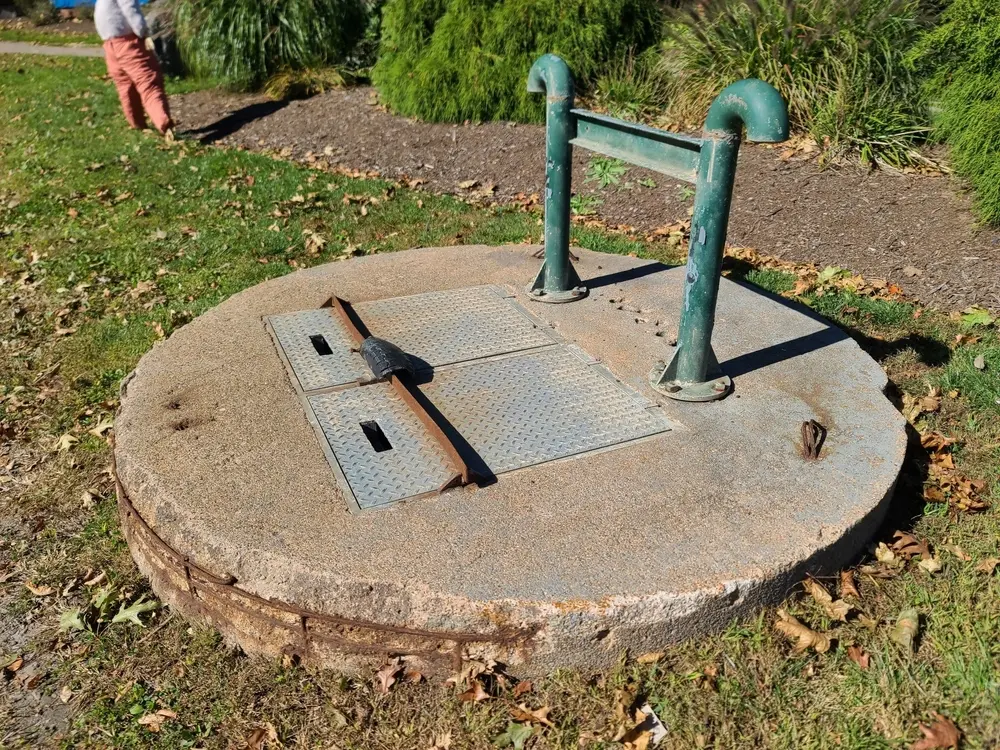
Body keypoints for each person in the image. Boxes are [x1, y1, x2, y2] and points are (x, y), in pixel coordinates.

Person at [95, 0, 174, 136]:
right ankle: (164, 123)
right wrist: (142, 31)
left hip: (110, 43)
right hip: (128, 42)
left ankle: (137, 125)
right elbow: (129, 8)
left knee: (125, 86)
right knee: (148, 81)